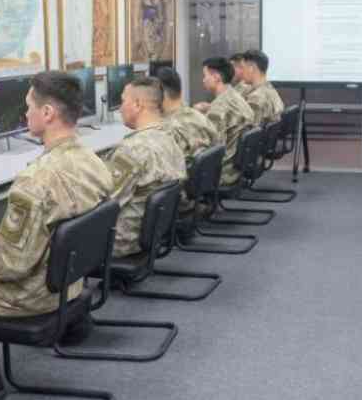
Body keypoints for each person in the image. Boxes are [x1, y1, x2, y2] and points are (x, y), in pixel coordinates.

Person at [0, 71, 112, 400]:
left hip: (35, 296)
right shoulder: (92, 161)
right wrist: (8, 236)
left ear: (48, 113)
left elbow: (10, 267)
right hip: (70, 284)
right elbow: (60, 222)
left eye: (29, 107)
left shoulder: (34, 180)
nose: (25, 113)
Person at [106, 76, 187, 259]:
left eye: (123, 101)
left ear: (137, 105)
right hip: (153, 231)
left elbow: (105, 201)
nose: (120, 108)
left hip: (124, 240)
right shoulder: (170, 137)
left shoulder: (132, 149)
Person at [158, 66, 219, 223]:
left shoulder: (167, 130)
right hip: (200, 189)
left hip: (181, 201)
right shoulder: (200, 117)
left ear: (160, 93)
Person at [199, 57, 256, 187]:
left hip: (224, 173)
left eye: (205, 75)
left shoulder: (219, 108)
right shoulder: (235, 96)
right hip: (237, 166)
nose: (203, 80)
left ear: (217, 77)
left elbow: (211, 148)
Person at [240, 48, 284, 126]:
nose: (241, 72)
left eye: (242, 68)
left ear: (251, 68)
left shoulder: (256, 98)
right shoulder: (270, 89)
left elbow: (246, 129)